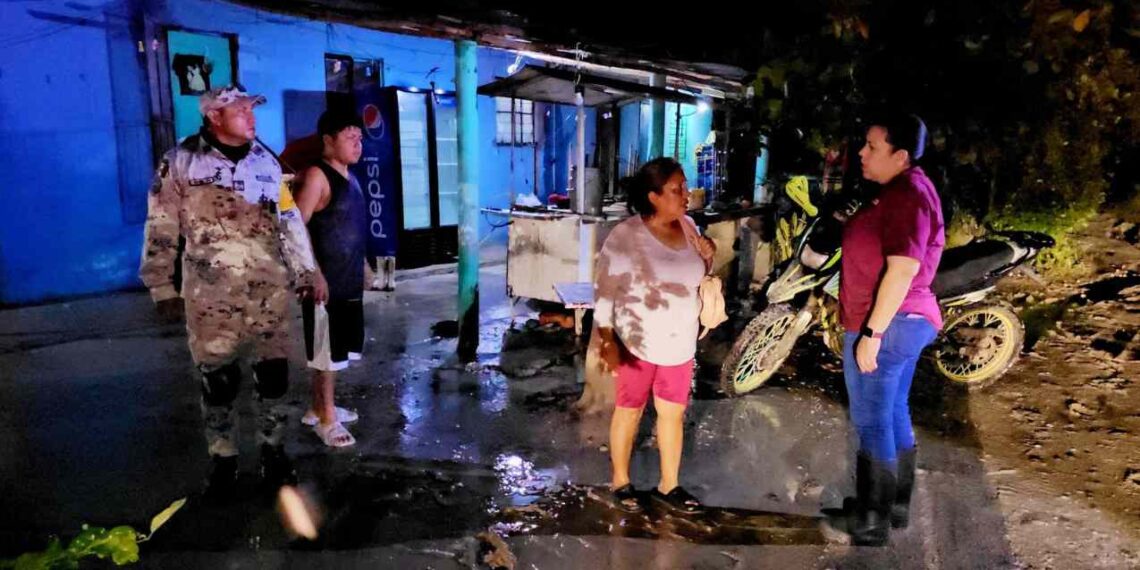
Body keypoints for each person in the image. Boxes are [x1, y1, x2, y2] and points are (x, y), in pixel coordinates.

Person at [139, 84, 317, 498]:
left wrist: (308, 272)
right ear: (214, 116)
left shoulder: (267, 163)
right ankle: (223, 457)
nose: (251, 117)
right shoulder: (180, 162)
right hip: (210, 296)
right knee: (217, 380)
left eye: (252, 109)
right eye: (240, 110)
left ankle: (274, 451)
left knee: (274, 375)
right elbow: (160, 226)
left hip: (269, 291)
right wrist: (161, 286)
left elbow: (289, 220)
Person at [839, 113, 945, 546]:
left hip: (892, 322)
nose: (862, 153)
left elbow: (902, 269)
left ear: (900, 156)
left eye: (872, 147)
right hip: (904, 321)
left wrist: (872, 333)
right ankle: (894, 505)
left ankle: (871, 519)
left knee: (872, 419)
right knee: (893, 410)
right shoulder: (905, 190)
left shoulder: (906, 196)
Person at [594, 157, 716, 515]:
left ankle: (669, 484)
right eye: (676, 189)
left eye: (685, 186)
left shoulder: (690, 225)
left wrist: (709, 258)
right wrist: (606, 338)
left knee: (672, 415)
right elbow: (604, 290)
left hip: (680, 344)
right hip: (637, 344)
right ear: (653, 196)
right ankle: (620, 481)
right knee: (629, 412)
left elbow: (699, 275)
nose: (686, 195)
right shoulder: (626, 236)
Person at [293, 109, 368, 448]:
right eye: (350, 137)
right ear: (328, 140)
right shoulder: (315, 176)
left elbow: (350, 226)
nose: (358, 143)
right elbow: (295, 228)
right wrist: (313, 273)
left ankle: (318, 406)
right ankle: (327, 420)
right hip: (325, 282)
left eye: (360, 137)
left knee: (335, 351)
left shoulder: (350, 177)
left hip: (348, 278)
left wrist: (364, 265)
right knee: (325, 351)